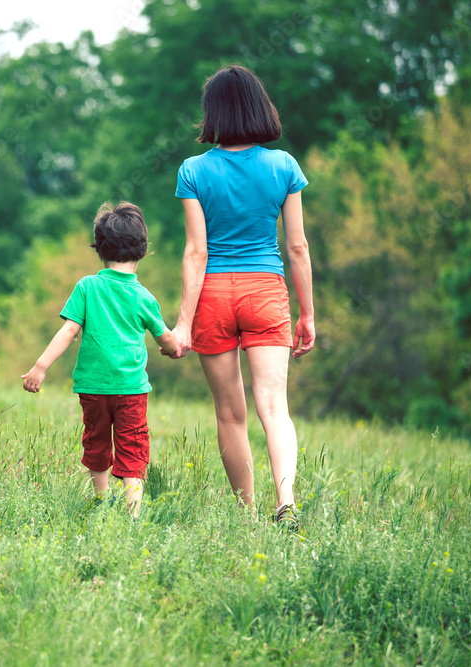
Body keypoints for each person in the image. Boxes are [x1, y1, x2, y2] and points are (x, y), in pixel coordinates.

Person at [167, 64, 315, 532]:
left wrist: (184, 323)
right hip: (266, 292)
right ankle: (286, 500)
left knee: (230, 413)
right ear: (258, 105)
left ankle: (246, 516)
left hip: (212, 296)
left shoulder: (194, 170)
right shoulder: (283, 166)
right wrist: (308, 313)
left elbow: (196, 252)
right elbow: (297, 247)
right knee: (274, 406)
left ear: (212, 113)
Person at [22, 202, 179, 517]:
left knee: (96, 440)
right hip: (131, 389)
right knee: (132, 446)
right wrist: (175, 348)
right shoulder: (144, 297)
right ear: (144, 250)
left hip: (92, 387)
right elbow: (164, 336)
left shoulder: (87, 286)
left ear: (99, 248)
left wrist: (40, 368)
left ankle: (102, 498)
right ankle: (132, 513)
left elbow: (68, 331)